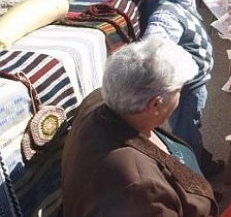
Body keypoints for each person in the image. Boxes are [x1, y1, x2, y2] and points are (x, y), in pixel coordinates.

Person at [62, 37, 218, 216]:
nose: (180, 95)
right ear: (156, 104)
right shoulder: (139, 190)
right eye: (178, 90)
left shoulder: (100, 100)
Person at [143, 0, 222, 176]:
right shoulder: (165, 11)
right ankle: (194, 184)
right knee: (187, 138)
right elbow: (154, 48)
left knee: (192, 130)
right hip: (187, 89)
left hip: (193, 85)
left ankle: (203, 164)